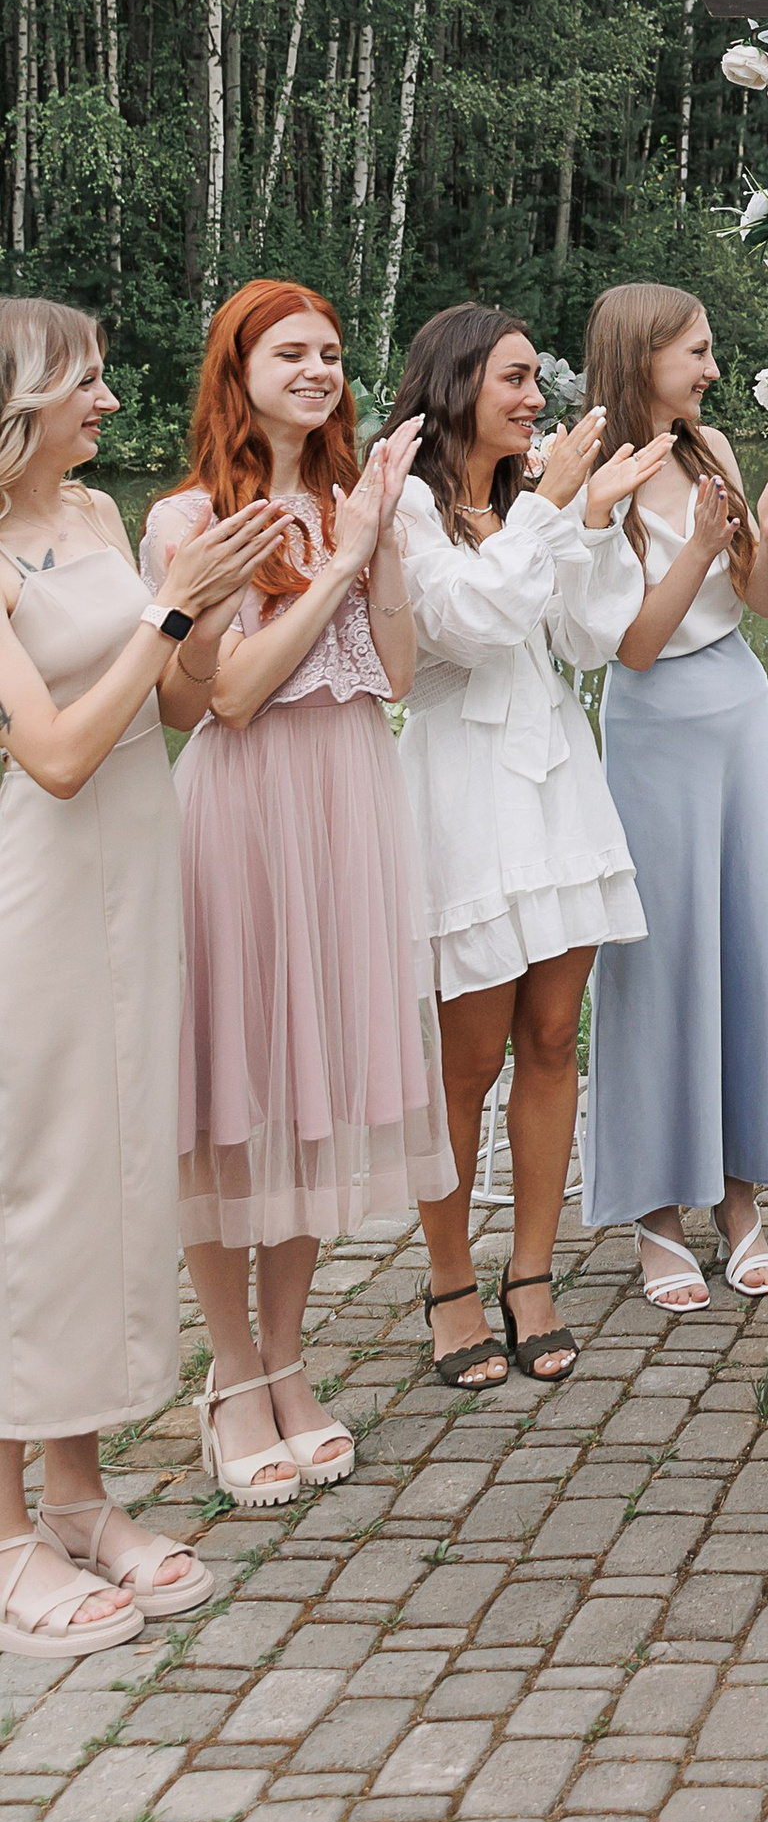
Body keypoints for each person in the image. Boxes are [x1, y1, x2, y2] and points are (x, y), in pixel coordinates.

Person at [0, 301, 282, 1660]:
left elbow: (174, 706)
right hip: (36, 887)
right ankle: (3, 1534)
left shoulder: (105, 521)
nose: (109, 403)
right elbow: (51, 751)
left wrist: (210, 611)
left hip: (135, 870)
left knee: (118, 1181)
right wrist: (170, 613)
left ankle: (78, 1493)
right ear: (19, 401)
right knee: (34, 1190)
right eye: (86, 383)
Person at [145, 284, 446, 1503]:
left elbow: (404, 672)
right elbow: (226, 694)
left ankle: (288, 1362)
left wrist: (371, 544)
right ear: (239, 366)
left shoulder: (351, 503)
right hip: (246, 808)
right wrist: (337, 563)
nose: (317, 370)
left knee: (316, 1082)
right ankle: (227, 1375)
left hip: (352, 793)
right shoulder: (187, 517)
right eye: (290, 352)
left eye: (329, 353)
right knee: (236, 1092)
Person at [388, 308, 672, 1389]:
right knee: (466, 1059)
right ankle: (450, 1282)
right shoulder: (406, 505)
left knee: (554, 1036)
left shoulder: (519, 502)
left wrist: (588, 521)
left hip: (554, 774)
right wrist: (554, 509)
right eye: (514, 379)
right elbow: (462, 627)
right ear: (457, 382)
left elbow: (588, 636)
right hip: (462, 785)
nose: (535, 399)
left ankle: (535, 1273)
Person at [579, 284, 768, 1312]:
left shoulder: (711, 446)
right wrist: (692, 546)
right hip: (652, 730)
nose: (711, 369)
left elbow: (757, 604)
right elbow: (633, 643)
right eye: (696, 353)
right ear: (640, 359)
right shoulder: (593, 473)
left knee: (745, 946)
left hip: (737, 712)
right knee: (660, 957)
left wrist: (765, 534)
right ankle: (652, 1210)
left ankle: (739, 1197)